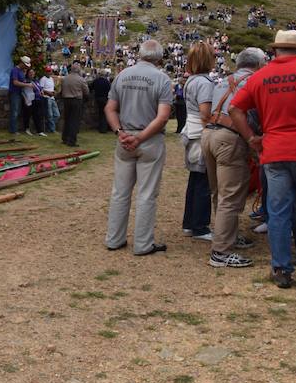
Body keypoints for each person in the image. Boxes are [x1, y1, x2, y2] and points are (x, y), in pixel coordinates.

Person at [229, 31, 296, 289]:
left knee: (278, 213)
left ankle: (281, 269)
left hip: (273, 150)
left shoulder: (260, 77)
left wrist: (251, 137)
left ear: (276, 51)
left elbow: (234, 108)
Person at [104, 40, 174, 255]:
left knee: (120, 192)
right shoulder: (162, 79)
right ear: (160, 58)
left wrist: (119, 132)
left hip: (125, 138)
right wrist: (141, 137)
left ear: (140, 54)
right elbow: (162, 118)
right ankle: (143, 244)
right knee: (147, 194)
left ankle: (114, 239)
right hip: (149, 140)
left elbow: (110, 108)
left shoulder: (122, 75)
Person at [201, 48, 266, 268]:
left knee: (219, 192)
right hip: (230, 138)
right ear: (259, 64)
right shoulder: (256, 80)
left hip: (209, 133)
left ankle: (227, 236)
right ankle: (220, 252)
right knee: (231, 197)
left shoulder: (222, 80)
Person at [181, 43, 216, 241]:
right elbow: (205, 113)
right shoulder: (204, 83)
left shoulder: (192, 80)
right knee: (203, 181)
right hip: (200, 134)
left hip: (192, 132)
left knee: (195, 180)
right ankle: (200, 226)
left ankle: (190, 223)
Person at [60, 62, 89, 147]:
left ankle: (65, 138)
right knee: (74, 121)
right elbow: (86, 92)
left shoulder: (65, 78)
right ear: (78, 70)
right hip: (76, 100)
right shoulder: (81, 79)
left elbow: (61, 90)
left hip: (66, 100)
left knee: (67, 119)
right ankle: (72, 140)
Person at [8, 56, 32, 135]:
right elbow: (15, 82)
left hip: (20, 92)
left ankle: (14, 129)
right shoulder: (15, 70)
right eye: (25, 65)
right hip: (14, 92)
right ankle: (13, 130)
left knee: (17, 111)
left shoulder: (21, 71)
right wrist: (27, 85)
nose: (26, 67)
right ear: (21, 63)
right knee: (14, 111)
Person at [22, 69, 47, 136]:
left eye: (33, 72)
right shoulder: (26, 81)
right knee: (27, 115)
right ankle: (27, 129)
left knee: (37, 116)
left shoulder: (36, 81)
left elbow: (40, 88)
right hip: (30, 100)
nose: (31, 74)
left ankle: (39, 131)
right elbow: (23, 91)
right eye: (30, 72)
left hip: (38, 100)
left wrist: (41, 91)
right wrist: (25, 99)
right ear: (28, 73)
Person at [40, 68, 59, 133]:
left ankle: (49, 126)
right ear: (45, 72)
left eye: (50, 71)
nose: (49, 72)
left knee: (57, 115)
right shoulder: (43, 79)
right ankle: (52, 129)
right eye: (47, 71)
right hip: (47, 98)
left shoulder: (51, 79)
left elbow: (52, 88)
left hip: (52, 98)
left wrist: (54, 92)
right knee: (50, 115)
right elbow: (41, 90)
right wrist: (49, 93)